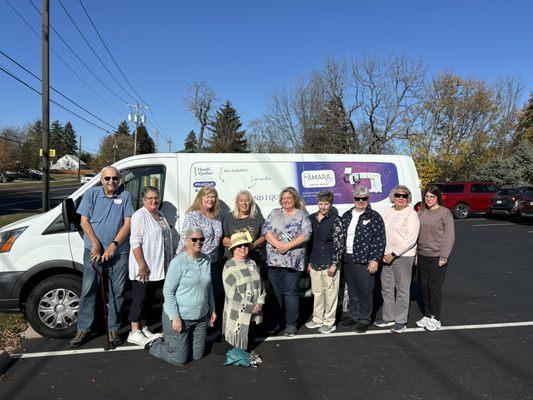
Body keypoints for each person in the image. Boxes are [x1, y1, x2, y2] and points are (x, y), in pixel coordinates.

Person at [70, 166, 134, 347]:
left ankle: (113, 328)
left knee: (117, 292)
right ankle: (83, 328)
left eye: (115, 178)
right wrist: (96, 244)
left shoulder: (125, 196)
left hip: (118, 253)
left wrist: (114, 245)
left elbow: (128, 223)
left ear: (119, 179)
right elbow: (84, 221)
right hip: (94, 253)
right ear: (101, 179)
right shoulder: (91, 194)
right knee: (89, 290)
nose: (111, 182)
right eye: (107, 178)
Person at [147, 227, 217, 365]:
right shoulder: (178, 262)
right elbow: (168, 291)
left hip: (200, 317)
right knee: (179, 360)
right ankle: (154, 344)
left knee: (197, 356)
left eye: (201, 239)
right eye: (194, 239)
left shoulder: (206, 260)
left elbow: (208, 288)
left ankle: (179, 342)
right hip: (180, 317)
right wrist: (175, 318)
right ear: (186, 241)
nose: (198, 242)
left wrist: (212, 309)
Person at [262, 187, 312, 337]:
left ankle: (291, 324)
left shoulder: (302, 215)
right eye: (283, 198)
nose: (286, 201)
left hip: (293, 262)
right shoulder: (275, 213)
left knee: (290, 293)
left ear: (295, 199)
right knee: (275, 294)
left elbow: (306, 234)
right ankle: (274, 323)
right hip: (274, 262)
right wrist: (278, 245)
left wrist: (287, 246)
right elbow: (266, 230)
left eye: (289, 198)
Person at [127, 186, 172, 346]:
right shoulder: (140, 215)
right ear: (143, 200)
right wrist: (142, 265)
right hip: (144, 267)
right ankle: (134, 331)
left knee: (148, 299)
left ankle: (143, 327)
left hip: (157, 266)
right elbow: (135, 242)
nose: (154, 201)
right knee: (139, 299)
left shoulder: (160, 215)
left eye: (156, 198)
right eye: (150, 198)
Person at [340, 185, 386, 334]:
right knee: (352, 290)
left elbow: (380, 239)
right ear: (353, 198)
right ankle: (353, 316)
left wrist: (374, 259)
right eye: (357, 198)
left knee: (365, 291)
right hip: (347, 258)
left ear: (368, 199)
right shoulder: (346, 215)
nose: (360, 201)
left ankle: (364, 319)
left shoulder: (374, 216)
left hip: (365, 259)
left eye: (364, 198)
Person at [375, 185, 420, 334]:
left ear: (408, 198)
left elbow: (411, 239)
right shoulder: (389, 211)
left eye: (404, 196)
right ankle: (388, 317)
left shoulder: (411, 214)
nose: (401, 198)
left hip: (402, 257)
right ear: (393, 197)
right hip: (387, 256)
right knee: (387, 288)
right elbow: (382, 233)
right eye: (398, 195)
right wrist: (383, 253)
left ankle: (401, 321)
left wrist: (394, 254)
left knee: (402, 289)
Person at [222, 232, 266, 365]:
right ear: (233, 249)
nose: (243, 248)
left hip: (255, 311)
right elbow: (232, 294)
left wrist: (260, 301)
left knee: (249, 343)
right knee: (238, 347)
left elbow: (261, 285)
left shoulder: (252, 263)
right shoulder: (229, 266)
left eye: (245, 245)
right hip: (239, 312)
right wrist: (250, 306)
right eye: (239, 246)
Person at [416, 185, 455, 332]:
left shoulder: (445, 213)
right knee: (424, 288)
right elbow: (417, 235)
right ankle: (428, 314)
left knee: (434, 288)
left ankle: (436, 318)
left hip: (438, 256)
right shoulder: (421, 212)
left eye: (432, 196)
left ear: (437, 197)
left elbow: (449, 236)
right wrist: (416, 254)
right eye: (426, 196)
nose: (429, 199)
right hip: (422, 255)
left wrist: (444, 256)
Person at [305, 191, 344, 334]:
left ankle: (329, 321)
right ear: (317, 203)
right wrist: (309, 262)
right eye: (321, 203)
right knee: (317, 292)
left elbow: (339, 244)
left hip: (329, 263)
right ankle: (317, 319)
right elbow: (310, 243)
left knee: (331, 293)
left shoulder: (335, 220)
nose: (323, 207)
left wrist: (334, 264)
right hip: (315, 262)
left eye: (326, 204)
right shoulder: (311, 219)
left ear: (331, 204)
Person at [177, 186, 223, 301]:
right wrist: (181, 261)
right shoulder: (193, 216)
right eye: (207, 196)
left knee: (216, 293)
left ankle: (212, 318)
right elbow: (185, 238)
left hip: (213, 262)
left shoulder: (217, 217)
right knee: (199, 295)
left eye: (213, 197)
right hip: (197, 261)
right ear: (201, 198)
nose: (211, 199)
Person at [222, 190, 265, 266]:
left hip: (253, 259)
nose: (244, 203)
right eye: (241, 200)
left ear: (250, 203)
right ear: (237, 203)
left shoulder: (257, 218)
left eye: (247, 200)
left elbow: (264, 237)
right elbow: (223, 240)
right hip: (233, 260)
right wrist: (240, 245)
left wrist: (252, 245)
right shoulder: (229, 218)